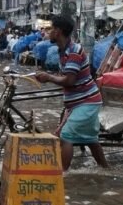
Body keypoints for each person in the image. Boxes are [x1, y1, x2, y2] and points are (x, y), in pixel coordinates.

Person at [35, 15, 108, 171]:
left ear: (59, 31)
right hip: (78, 102)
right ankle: (106, 169)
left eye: (51, 29)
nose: (49, 33)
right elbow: (66, 78)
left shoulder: (74, 51)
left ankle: (62, 175)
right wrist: (49, 77)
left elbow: (69, 80)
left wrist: (48, 77)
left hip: (87, 101)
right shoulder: (63, 51)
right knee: (90, 139)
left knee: (65, 136)